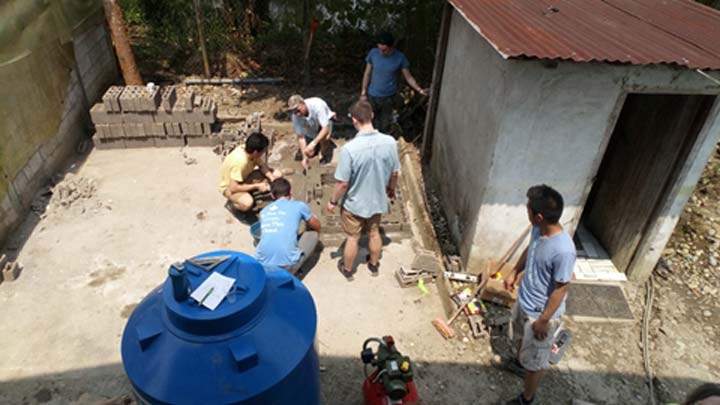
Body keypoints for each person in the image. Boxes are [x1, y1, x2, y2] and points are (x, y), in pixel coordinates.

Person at [500, 185, 576, 405]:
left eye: (528, 209)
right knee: (519, 339)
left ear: (539, 216)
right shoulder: (538, 229)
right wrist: (515, 271)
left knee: (536, 362)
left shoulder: (563, 250)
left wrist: (544, 320)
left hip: (541, 314)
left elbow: (562, 288)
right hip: (524, 300)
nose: (527, 212)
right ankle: (518, 363)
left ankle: (526, 399)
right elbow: (530, 249)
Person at [327, 99, 400, 281]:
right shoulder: (390, 142)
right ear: (372, 116)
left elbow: (343, 183)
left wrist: (333, 201)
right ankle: (374, 265)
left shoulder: (349, 149)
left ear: (354, 120)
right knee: (374, 233)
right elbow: (395, 173)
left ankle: (348, 269)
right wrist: (391, 189)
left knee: (353, 237)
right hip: (377, 200)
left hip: (355, 204)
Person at [360, 31, 428, 134]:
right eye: (380, 49)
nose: (382, 52)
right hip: (372, 95)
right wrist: (363, 93)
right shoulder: (373, 53)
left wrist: (419, 89)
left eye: (385, 50)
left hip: (388, 98)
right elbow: (367, 74)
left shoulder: (400, 58)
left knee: (385, 124)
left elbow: (408, 77)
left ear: (391, 47)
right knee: (369, 122)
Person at [255, 178, 321, 274]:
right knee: (313, 234)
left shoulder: (264, 211)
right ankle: (294, 274)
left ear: (272, 195)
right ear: (290, 192)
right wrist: (318, 231)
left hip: (261, 265)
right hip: (286, 266)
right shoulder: (299, 206)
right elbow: (316, 224)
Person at [219, 132, 281, 213]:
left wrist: (272, 178)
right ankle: (233, 205)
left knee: (277, 174)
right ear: (256, 152)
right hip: (229, 187)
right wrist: (257, 186)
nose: (264, 153)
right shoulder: (240, 162)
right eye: (263, 151)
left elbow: (262, 166)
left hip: (244, 178)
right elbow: (233, 187)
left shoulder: (248, 150)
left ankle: (248, 191)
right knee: (248, 202)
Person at [287, 94, 336, 168]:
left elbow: (325, 128)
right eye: (294, 112)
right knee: (309, 153)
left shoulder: (317, 105)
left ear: (303, 103)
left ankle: (321, 154)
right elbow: (301, 137)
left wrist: (313, 144)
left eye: (298, 110)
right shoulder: (295, 117)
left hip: (325, 122)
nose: (297, 114)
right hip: (312, 126)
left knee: (324, 138)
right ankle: (317, 143)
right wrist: (304, 157)